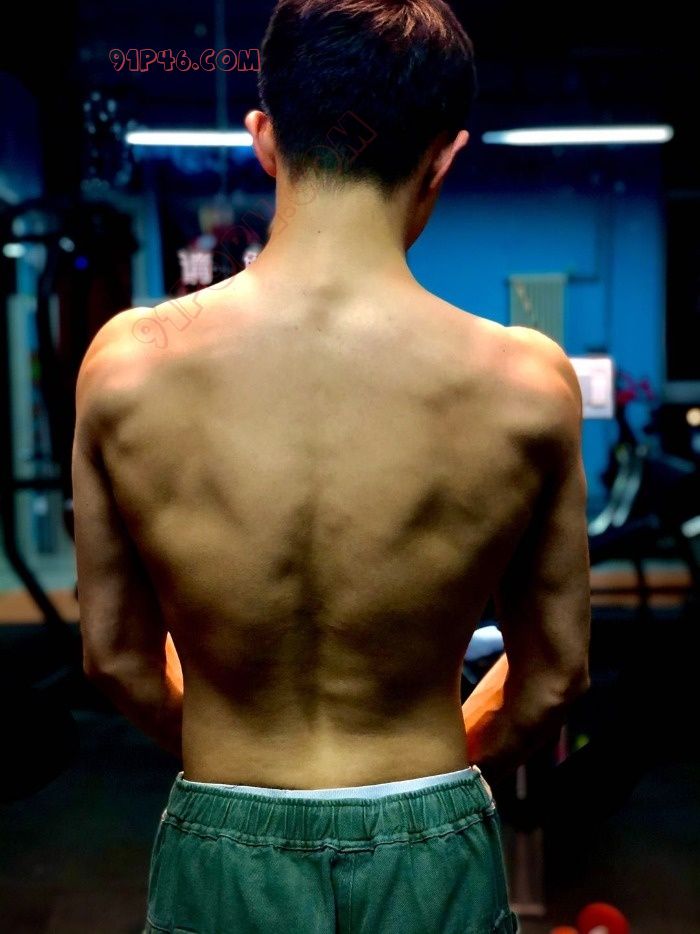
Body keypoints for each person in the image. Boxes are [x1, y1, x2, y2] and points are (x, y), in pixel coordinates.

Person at [71, 2, 591, 931]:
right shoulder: (527, 382)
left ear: (263, 139)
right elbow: (553, 678)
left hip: (223, 842)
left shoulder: (127, 365)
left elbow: (114, 657)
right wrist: (429, 791)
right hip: (430, 843)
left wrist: (238, 776)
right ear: (444, 158)